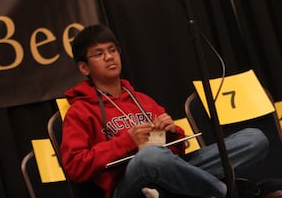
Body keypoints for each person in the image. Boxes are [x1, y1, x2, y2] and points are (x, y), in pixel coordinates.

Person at [60, 24, 269, 198]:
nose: (109, 57)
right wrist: (126, 142)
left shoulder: (142, 99)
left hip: (165, 170)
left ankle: (175, 189)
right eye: (99, 53)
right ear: (84, 68)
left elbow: (176, 152)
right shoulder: (79, 111)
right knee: (149, 157)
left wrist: (172, 133)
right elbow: (75, 167)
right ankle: (225, 191)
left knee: (254, 139)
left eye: (113, 50)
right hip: (126, 185)